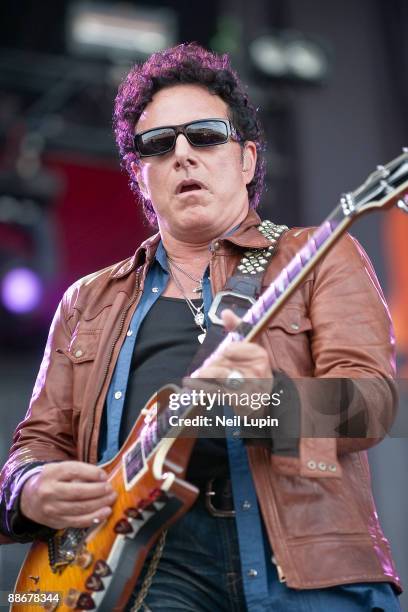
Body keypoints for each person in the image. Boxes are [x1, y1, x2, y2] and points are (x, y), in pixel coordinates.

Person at [0, 43, 402, 612]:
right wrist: (30, 489)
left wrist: (271, 401)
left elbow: (375, 405)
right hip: (141, 567)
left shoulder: (320, 256)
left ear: (247, 159)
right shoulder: (86, 300)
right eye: (158, 145)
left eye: (206, 135)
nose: (183, 154)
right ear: (140, 177)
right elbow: (35, 444)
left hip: (304, 566)